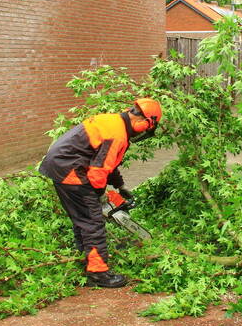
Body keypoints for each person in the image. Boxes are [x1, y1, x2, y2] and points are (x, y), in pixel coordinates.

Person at [38, 97, 162, 288]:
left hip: (61, 165)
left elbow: (107, 164)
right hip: (71, 170)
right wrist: (99, 195)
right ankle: (98, 273)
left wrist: (120, 186)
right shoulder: (117, 134)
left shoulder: (114, 123)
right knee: (92, 221)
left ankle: (85, 259)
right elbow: (98, 172)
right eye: (146, 128)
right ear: (142, 122)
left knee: (82, 219)